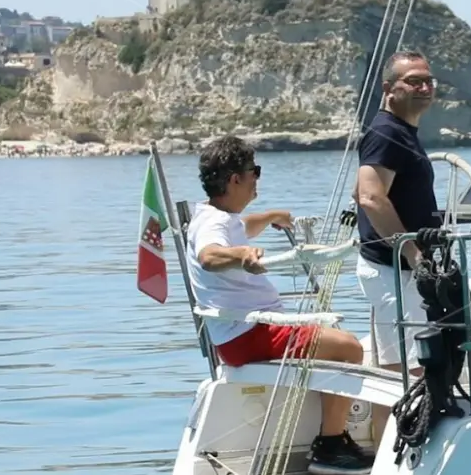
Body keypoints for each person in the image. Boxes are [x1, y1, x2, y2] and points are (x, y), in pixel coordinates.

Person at [186, 136, 373, 474]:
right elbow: (209, 255)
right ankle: (331, 447)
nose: (257, 178)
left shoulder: (215, 215)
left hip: (242, 332)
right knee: (349, 348)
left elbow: (243, 227)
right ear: (235, 179)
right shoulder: (213, 226)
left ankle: (332, 438)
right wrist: (241, 254)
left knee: (333, 339)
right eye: (254, 171)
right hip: (248, 334)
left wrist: (272, 216)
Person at [354, 50, 439, 454]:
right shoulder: (386, 132)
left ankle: (390, 446)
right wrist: (414, 256)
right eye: (413, 81)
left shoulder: (401, 131)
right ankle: (398, 451)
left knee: (400, 357)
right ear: (389, 89)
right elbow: (370, 197)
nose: (424, 87)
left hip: (398, 269)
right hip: (394, 270)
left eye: (428, 81)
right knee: (404, 363)